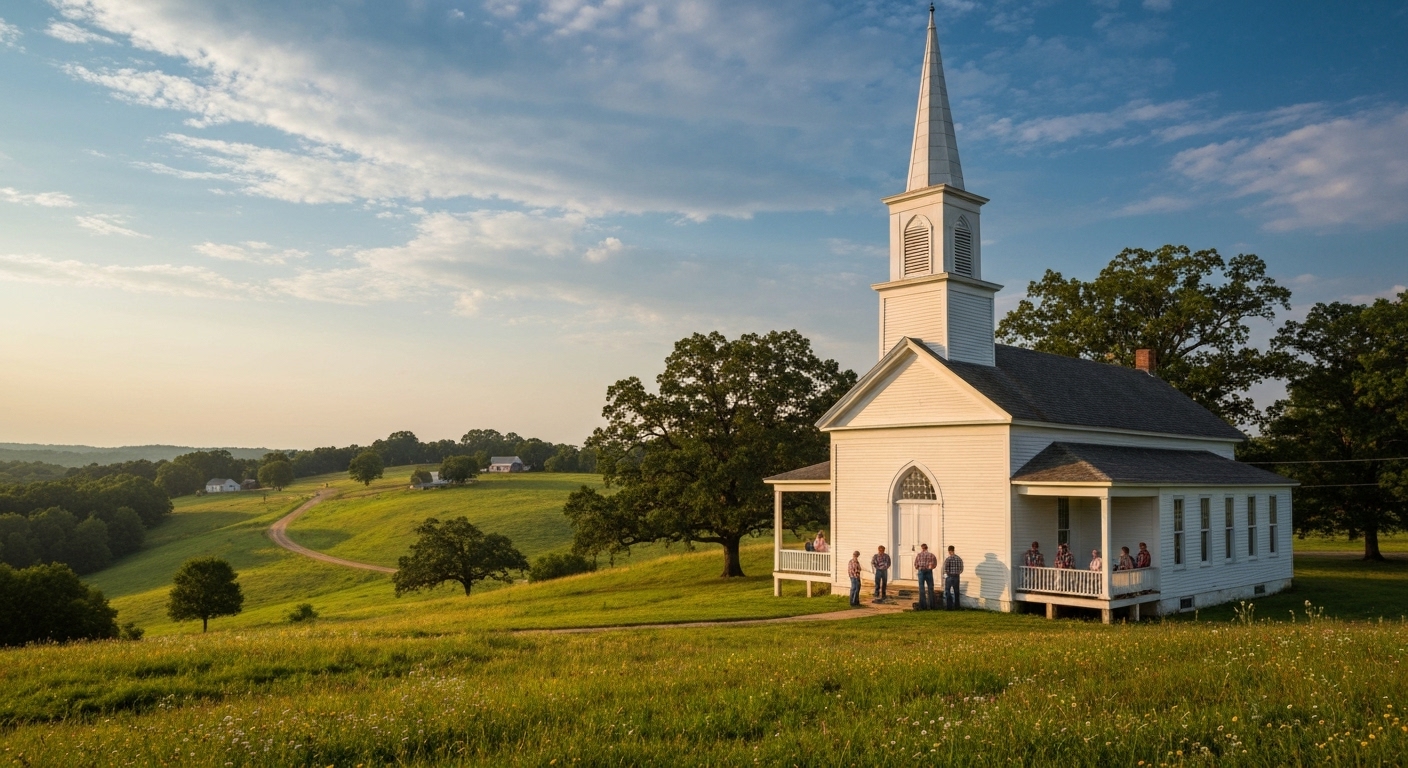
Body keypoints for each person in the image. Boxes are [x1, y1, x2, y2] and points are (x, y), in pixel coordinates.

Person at [914, 543, 938, 610]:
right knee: (930, 588)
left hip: (921, 571)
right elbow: (935, 564)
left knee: (921, 588)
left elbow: (916, 565)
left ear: (922, 548)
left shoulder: (919, 555)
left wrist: (918, 567)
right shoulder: (931, 555)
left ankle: (923, 606)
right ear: (927, 548)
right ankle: (932, 606)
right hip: (928, 571)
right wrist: (931, 567)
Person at [942, 545, 964, 610]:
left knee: (947, 590)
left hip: (949, 576)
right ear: (953, 550)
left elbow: (945, 569)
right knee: (956, 591)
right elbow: (961, 569)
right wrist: (957, 573)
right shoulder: (959, 559)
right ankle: (957, 606)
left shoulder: (948, 559)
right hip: (956, 577)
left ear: (949, 551)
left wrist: (948, 574)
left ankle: (949, 606)